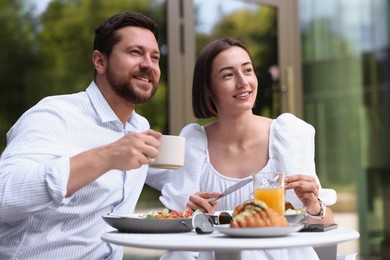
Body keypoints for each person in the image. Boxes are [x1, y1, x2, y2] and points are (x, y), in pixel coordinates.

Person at [147, 37, 337, 260]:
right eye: (228, 75)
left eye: (247, 70)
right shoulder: (194, 143)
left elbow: (326, 225)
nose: (243, 82)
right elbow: (178, 231)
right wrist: (189, 212)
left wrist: (314, 205)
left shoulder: (288, 134)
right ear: (208, 89)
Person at [0, 11, 163, 259]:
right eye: (135, 52)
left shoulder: (139, 127)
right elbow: (4, 196)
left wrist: (189, 198)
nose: (148, 64)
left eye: (155, 57)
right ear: (100, 61)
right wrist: (105, 156)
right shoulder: (55, 115)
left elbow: (167, 173)